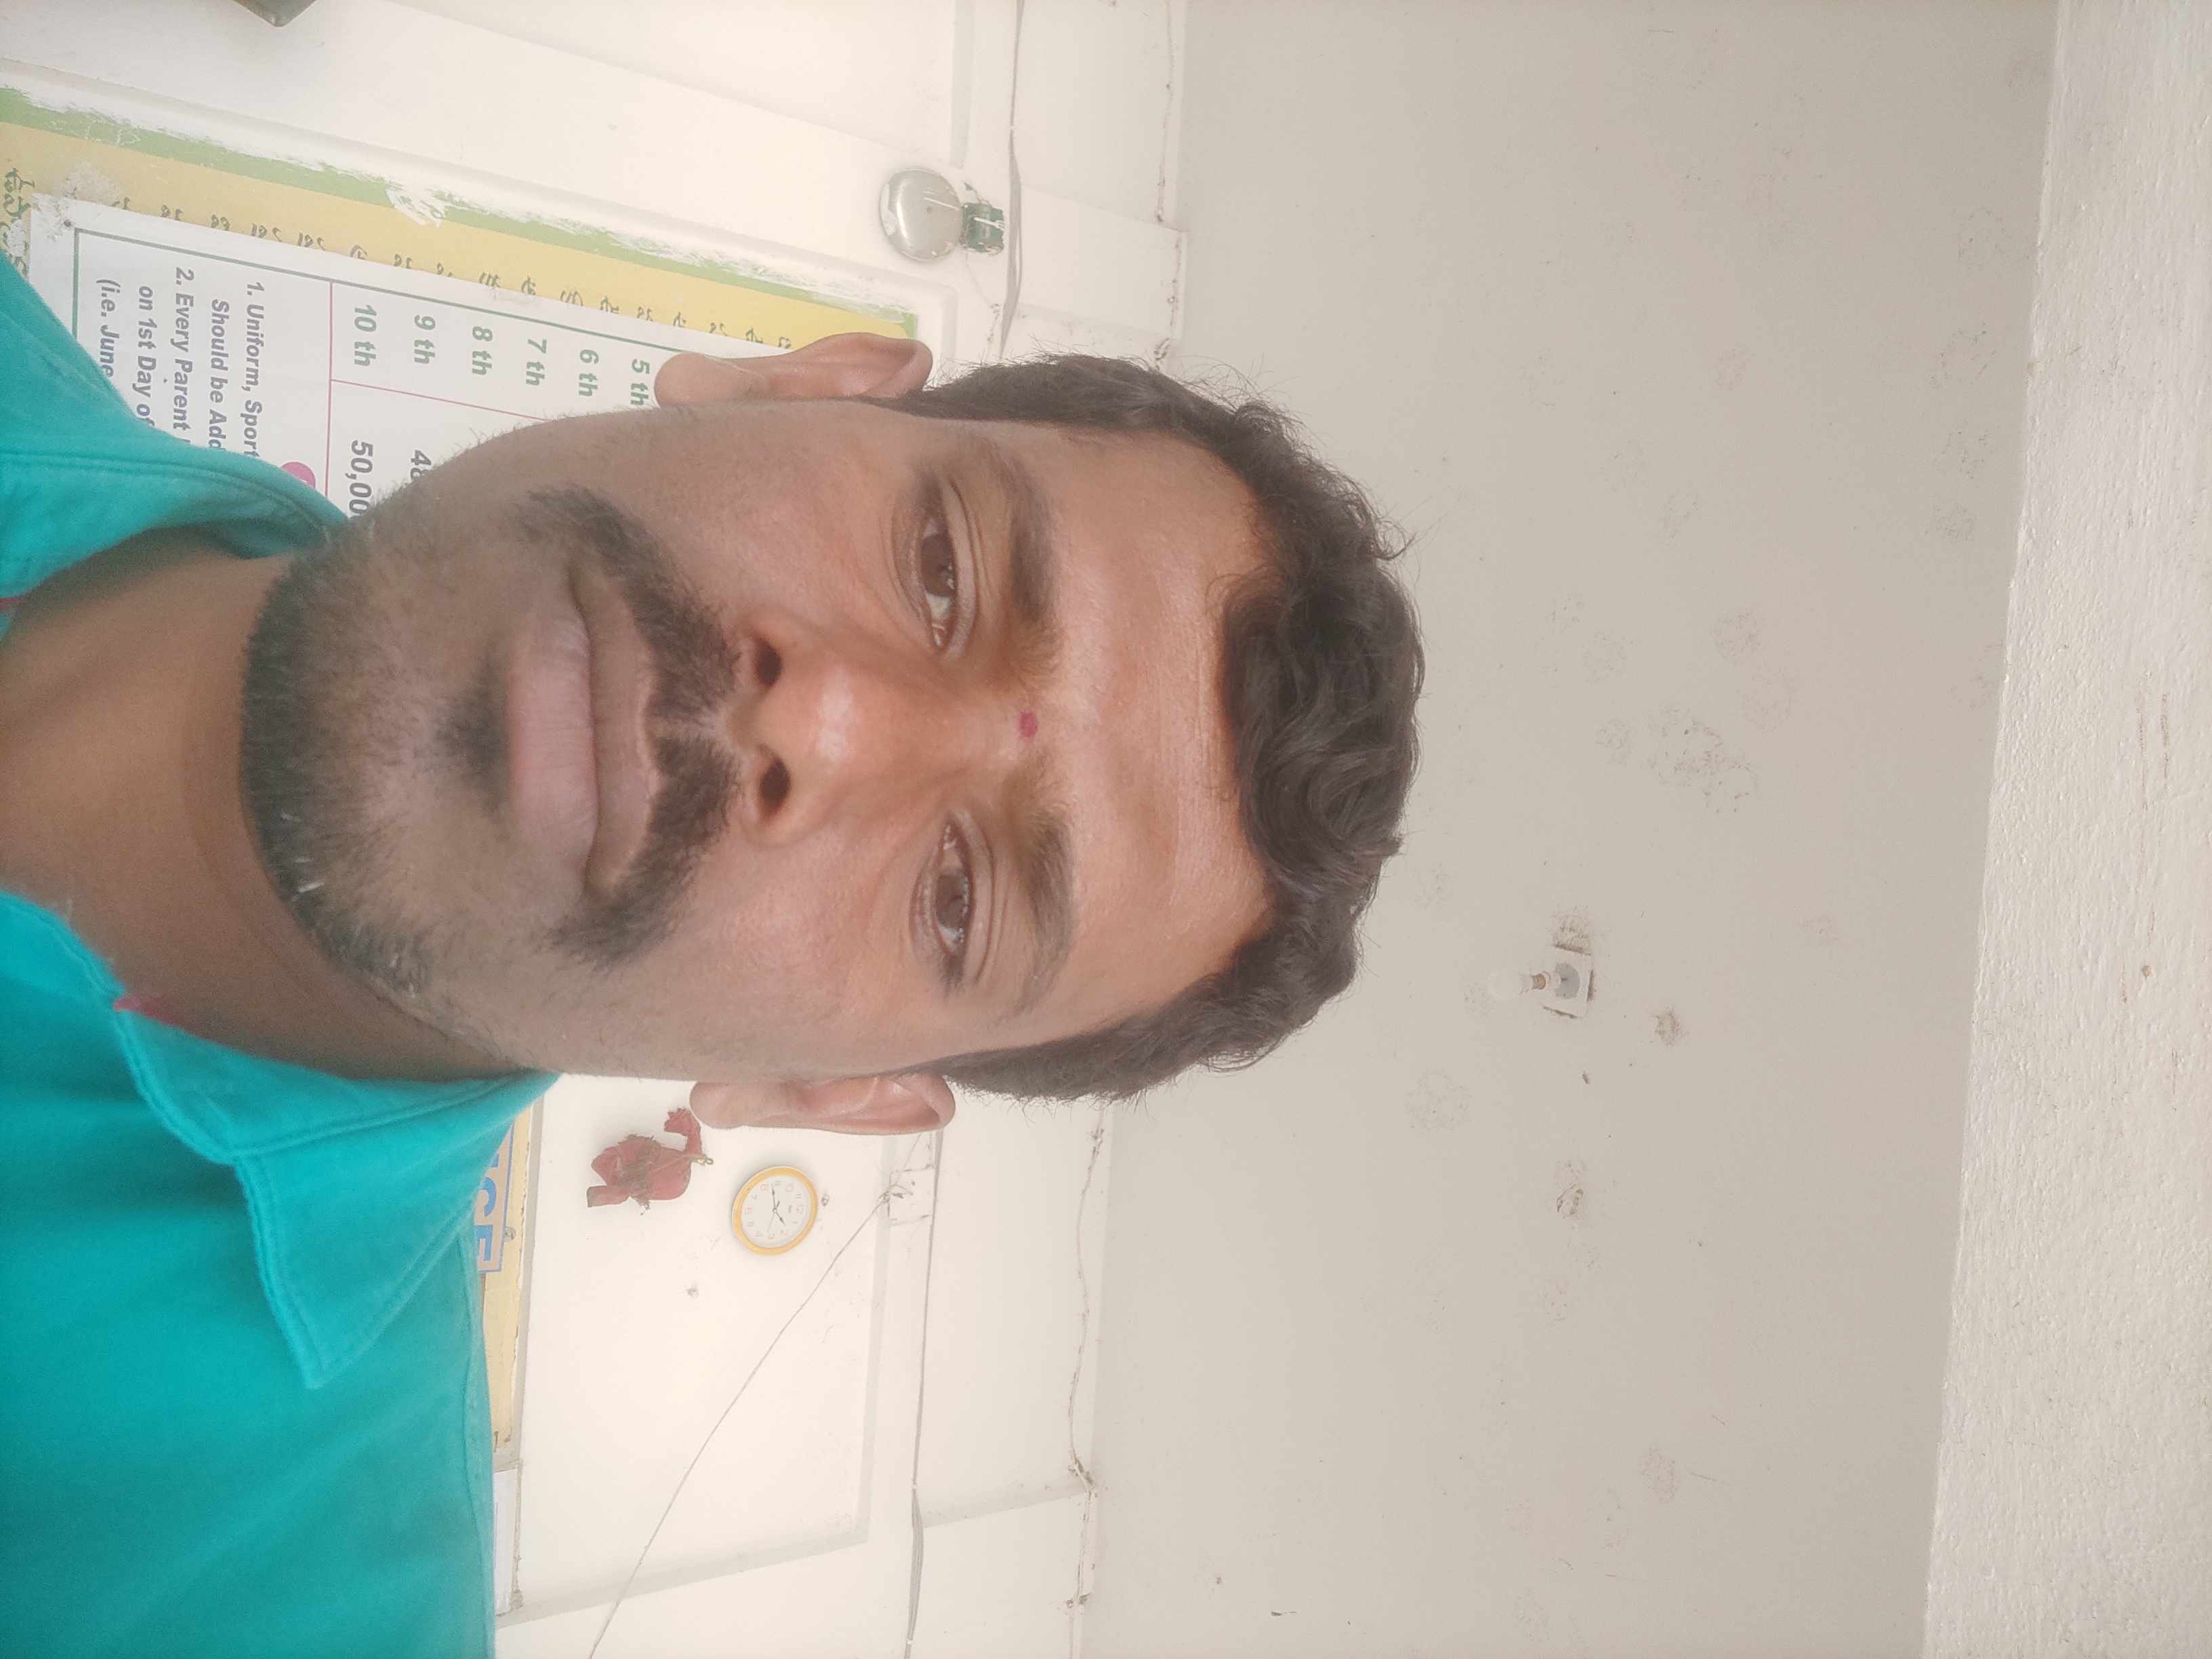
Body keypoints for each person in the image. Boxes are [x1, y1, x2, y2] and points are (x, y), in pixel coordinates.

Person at [0, 253, 1420, 1655]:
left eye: (956, 900)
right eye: (943, 569)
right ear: (781, 386)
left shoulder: (277, 1600)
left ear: (828, 1092)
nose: (830, 726)